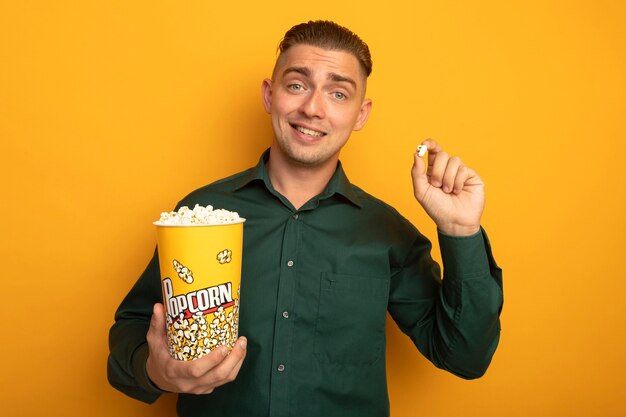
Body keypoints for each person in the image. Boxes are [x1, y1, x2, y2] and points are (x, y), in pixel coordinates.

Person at [107, 20, 503, 417]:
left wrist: (461, 232)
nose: (312, 108)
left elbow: (464, 357)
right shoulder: (198, 213)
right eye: (297, 85)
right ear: (269, 94)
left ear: (360, 114)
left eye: (338, 93)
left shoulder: (388, 233)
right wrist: (155, 371)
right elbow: (131, 334)